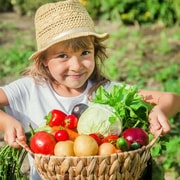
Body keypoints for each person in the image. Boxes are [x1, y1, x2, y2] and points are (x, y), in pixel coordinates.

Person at [0, 0, 180, 179]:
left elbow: (172, 99)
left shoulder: (106, 92)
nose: (76, 66)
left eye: (85, 53)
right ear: (44, 60)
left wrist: (158, 109)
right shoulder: (29, 89)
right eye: (63, 56)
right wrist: (5, 121)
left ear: (95, 51)